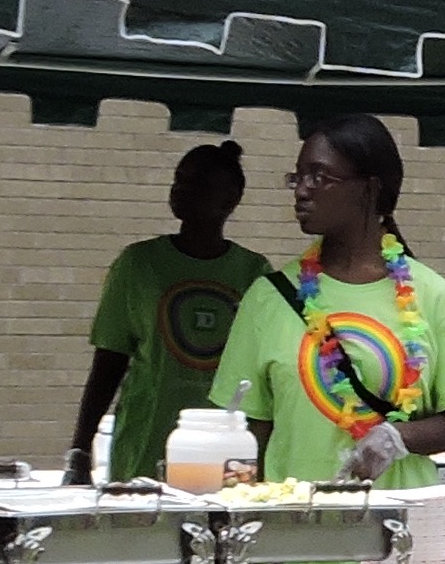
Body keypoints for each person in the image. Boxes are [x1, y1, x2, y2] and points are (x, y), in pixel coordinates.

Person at [210, 114, 445, 564]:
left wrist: (397, 437)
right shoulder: (269, 297)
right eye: (298, 176)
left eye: (320, 177)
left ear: (370, 189)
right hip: (293, 549)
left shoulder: (435, 297)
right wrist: (233, 539)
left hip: (400, 549)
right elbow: (247, 432)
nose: (302, 190)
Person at [68, 141, 284, 483]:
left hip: (224, 449)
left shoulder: (253, 272)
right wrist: (80, 450)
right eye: (179, 179)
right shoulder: (138, 264)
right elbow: (109, 362)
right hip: (146, 445)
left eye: (198, 182)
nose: (181, 189)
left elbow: (266, 374)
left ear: (230, 200)